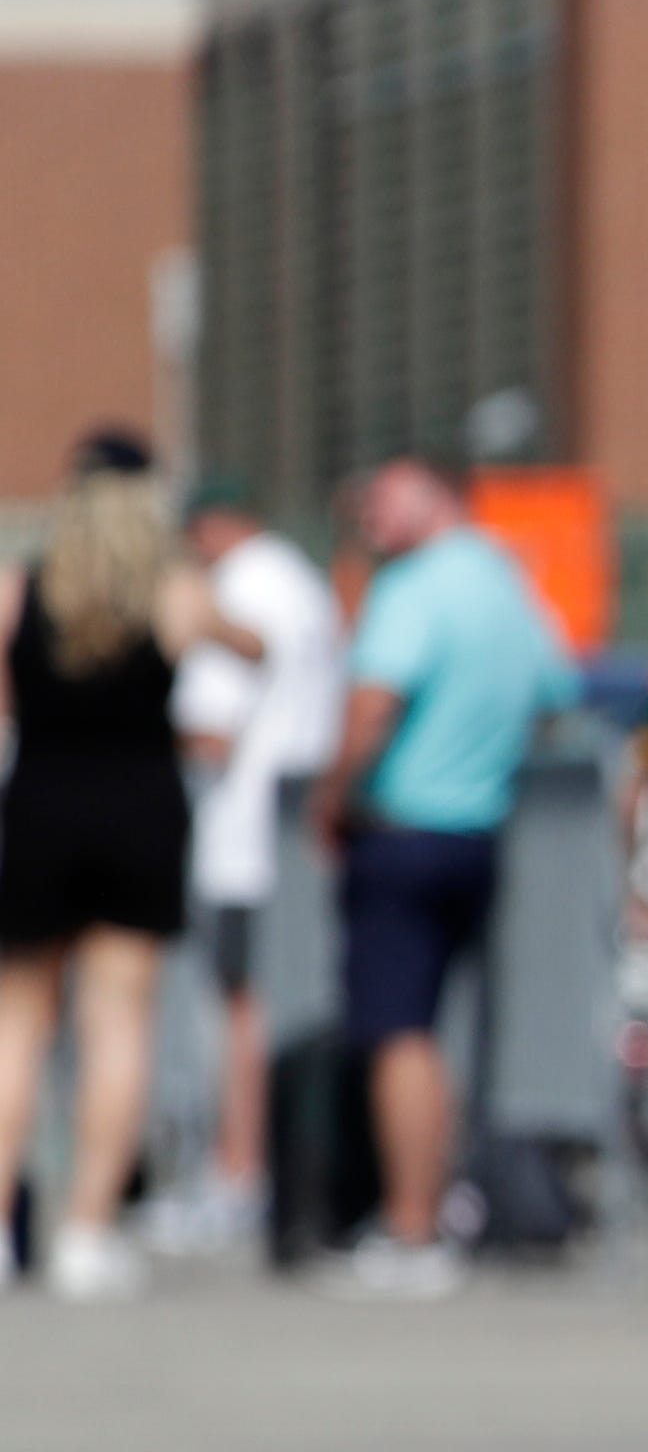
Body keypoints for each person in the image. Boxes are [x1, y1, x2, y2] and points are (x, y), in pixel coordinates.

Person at [312, 455, 575, 1300]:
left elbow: (371, 705)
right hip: (479, 832)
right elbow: (553, 693)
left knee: (399, 1033)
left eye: (384, 500)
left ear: (436, 498)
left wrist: (331, 796)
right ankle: (433, 1206)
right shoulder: (506, 582)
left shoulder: (412, 589)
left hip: (404, 830)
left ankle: (413, 1225)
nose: (372, 521)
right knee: (433, 1031)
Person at [0, 435, 238, 1299]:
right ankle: (87, 1232)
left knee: (17, 1026)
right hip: (140, 809)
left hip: (40, 803)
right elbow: (253, 648)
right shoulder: (173, 591)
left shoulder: (24, 587)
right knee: (119, 1026)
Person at [155, 478, 344, 1255]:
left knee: (240, 1008)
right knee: (280, 1002)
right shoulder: (303, 583)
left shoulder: (233, 593)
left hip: (238, 837)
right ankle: (262, 1170)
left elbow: (210, 731)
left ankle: (239, 1172)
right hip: (294, 835)